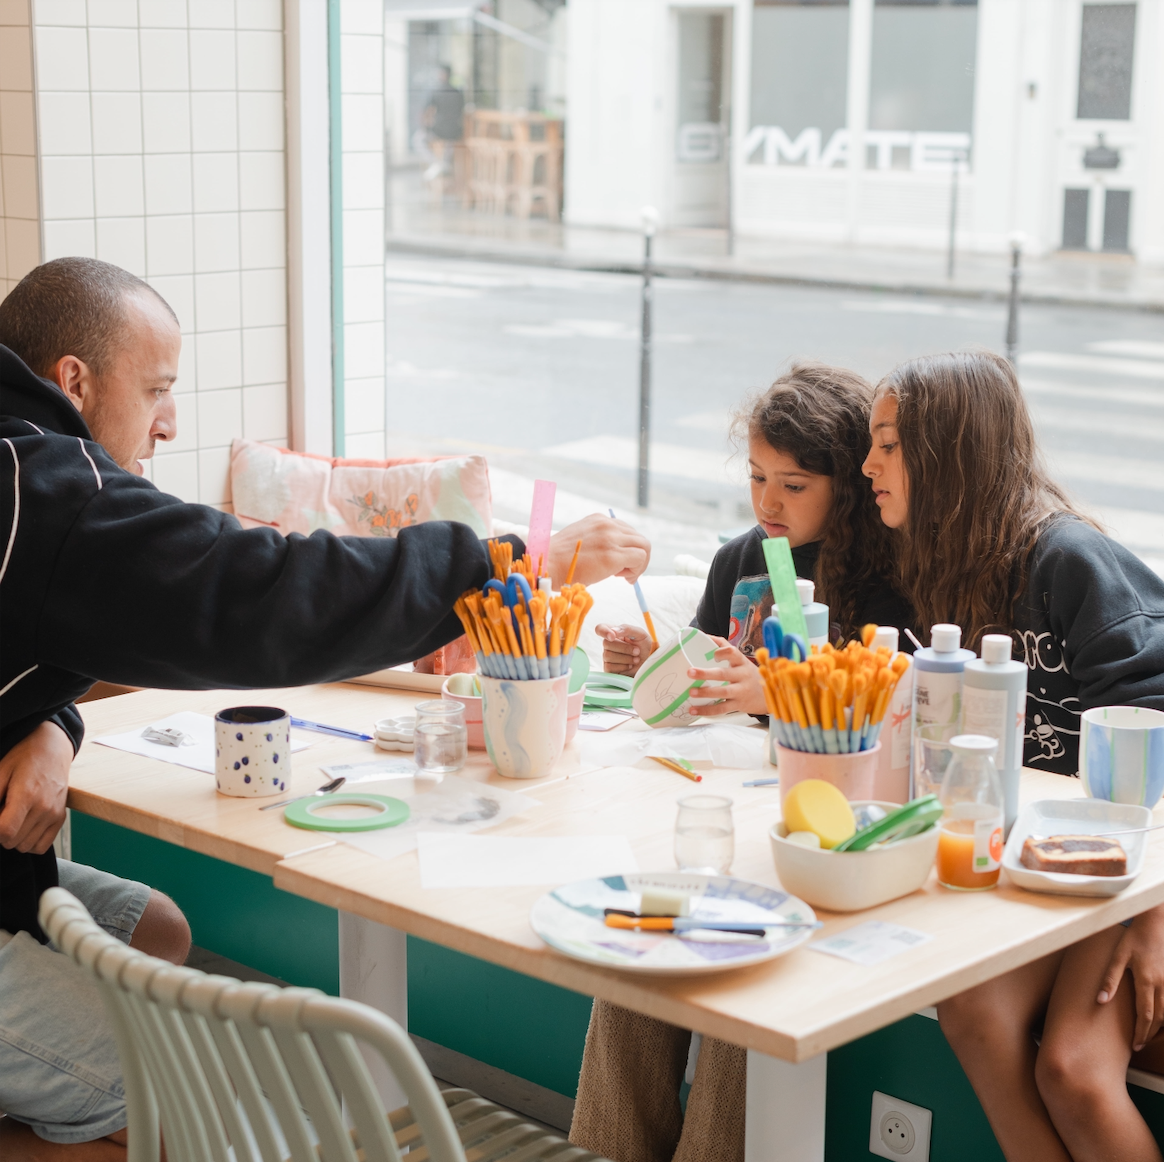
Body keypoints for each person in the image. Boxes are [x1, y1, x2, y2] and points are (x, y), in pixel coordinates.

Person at [0, 257, 650, 1160]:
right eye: (156, 388)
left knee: (157, 931)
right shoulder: (52, 495)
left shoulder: (21, 472)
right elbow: (265, 595)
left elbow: (46, 629)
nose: (170, 420)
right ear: (72, 379)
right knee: (172, 1086)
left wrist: (52, 724)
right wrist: (507, 561)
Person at [571, 364, 915, 1162]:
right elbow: (701, 671)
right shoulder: (739, 559)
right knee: (634, 956)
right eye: (759, 478)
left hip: (810, 837)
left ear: (849, 486)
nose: (769, 503)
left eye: (794, 485)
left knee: (746, 989)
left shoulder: (884, 583)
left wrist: (774, 693)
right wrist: (656, 664)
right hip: (711, 808)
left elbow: (885, 723)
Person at [862, 349, 1164, 1162]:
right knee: (972, 1012)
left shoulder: (1070, 562)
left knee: (1072, 1067)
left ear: (947, 452)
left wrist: (1154, 910)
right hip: (1045, 861)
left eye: (887, 445)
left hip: (1130, 866)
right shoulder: (942, 567)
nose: (868, 466)